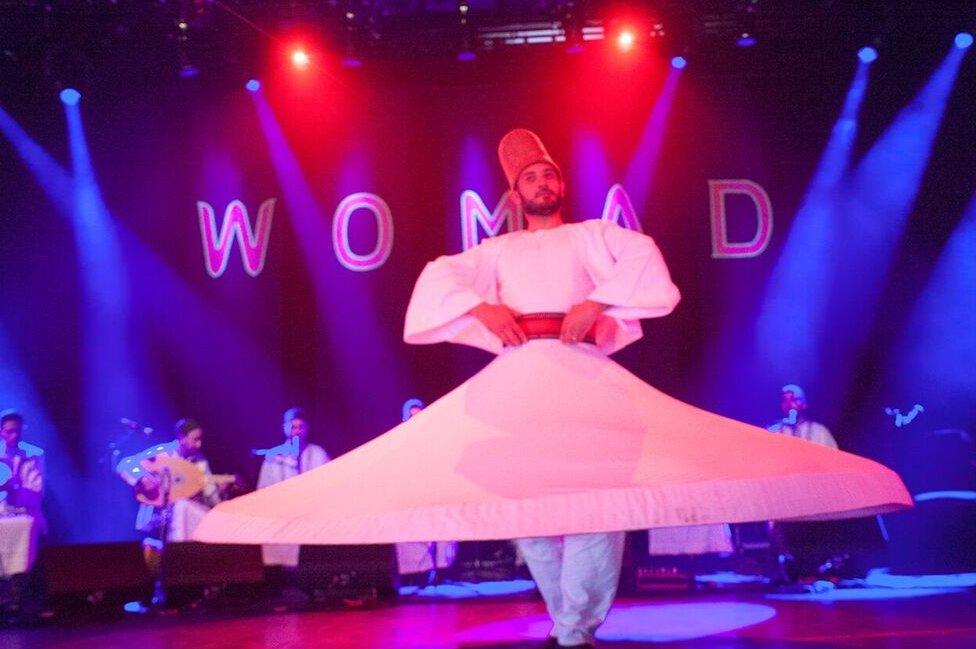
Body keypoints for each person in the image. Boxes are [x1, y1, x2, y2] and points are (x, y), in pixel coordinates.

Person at [194, 129, 910, 648]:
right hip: (520, 381)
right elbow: (436, 281)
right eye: (531, 176)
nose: (543, 181)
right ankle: (572, 625)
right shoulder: (495, 250)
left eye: (550, 173)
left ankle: (573, 631)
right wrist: (479, 308)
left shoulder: (596, 233)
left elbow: (646, 263)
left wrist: (597, 302)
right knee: (530, 508)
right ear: (514, 192)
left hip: (580, 374)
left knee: (599, 501)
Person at [117, 418, 233, 542]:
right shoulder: (163, 453)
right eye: (195, 439)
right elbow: (126, 464)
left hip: (182, 519)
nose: (199, 444)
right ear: (181, 437)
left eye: (200, 439)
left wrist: (221, 491)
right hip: (155, 521)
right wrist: (143, 479)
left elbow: (211, 496)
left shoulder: (200, 461)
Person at [393, 400, 458, 584]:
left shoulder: (436, 441)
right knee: (412, 536)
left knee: (442, 531)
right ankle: (417, 574)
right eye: (412, 417)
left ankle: (441, 571)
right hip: (410, 496)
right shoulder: (399, 443)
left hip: (434, 493)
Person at [256, 407, 330, 567]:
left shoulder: (318, 454)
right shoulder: (274, 456)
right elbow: (263, 491)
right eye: (293, 427)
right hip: (282, 516)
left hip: (311, 516)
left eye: (300, 427)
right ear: (285, 428)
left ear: (307, 428)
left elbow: (329, 488)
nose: (296, 431)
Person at [0, 409, 45, 615]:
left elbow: (37, 489)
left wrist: (14, 488)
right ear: (1, 431)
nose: (14, 436)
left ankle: (20, 603)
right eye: (9, 431)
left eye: (17, 431)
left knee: (29, 534)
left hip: (25, 513)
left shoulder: (34, 454)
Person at [768, 384, 838, 448]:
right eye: (785, 400)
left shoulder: (819, 431)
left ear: (804, 404)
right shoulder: (774, 430)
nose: (790, 404)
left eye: (794, 399)